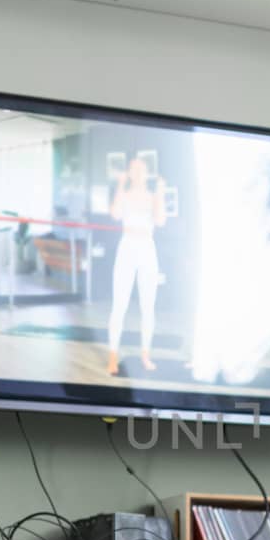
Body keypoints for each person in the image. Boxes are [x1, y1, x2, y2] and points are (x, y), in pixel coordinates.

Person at [105, 156, 168, 376]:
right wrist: (120, 185)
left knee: (148, 306)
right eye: (134, 169)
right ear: (129, 173)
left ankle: (145, 355)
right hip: (127, 247)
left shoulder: (152, 196)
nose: (138, 172)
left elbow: (160, 221)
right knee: (119, 304)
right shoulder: (124, 193)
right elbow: (114, 213)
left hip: (147, 248)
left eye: (141, 169)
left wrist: (160, 193)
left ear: (147, 173)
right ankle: (112, 356)